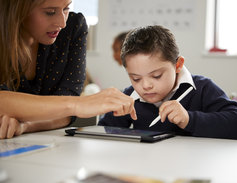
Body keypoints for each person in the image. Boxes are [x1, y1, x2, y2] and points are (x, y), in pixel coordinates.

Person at [0, 0, 136, 139]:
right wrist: (77, 104)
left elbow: (65, 114)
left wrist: (24, 125)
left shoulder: (73, 26)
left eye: (66, 8)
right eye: (50, 12)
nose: (62, 23)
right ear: (18, 9)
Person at [98, 25, 237, 140]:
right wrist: (113, 114)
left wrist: (189, 119)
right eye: (136, 78)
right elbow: (102, 134)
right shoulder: (131, 96)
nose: (145, 86)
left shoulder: (202, 88)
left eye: (156, 76)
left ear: (178, 65)